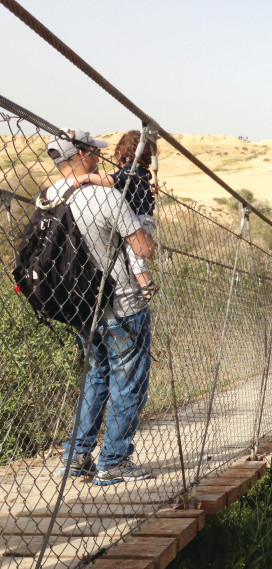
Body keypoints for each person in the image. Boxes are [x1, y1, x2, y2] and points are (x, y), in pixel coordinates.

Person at [48, 129, 155, 485]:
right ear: (81, 156)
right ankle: (115, 461)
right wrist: (145, 229)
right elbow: (143, 249)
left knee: (95, 376)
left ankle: (78, 457)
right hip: (123, 305)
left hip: (80, 306)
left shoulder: (48, 197)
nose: (98, 156)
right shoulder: (108, 197)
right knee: (128, 380)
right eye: (93, 151)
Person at [74, 130, 158, 301]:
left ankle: (145, 284)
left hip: (139, 218)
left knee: (135, 253)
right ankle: (143, 282)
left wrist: (89, 177)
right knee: (134, 251)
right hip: (144, 217)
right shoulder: (141, 172)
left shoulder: (129, 171)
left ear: (120, 154)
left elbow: (110, 181)